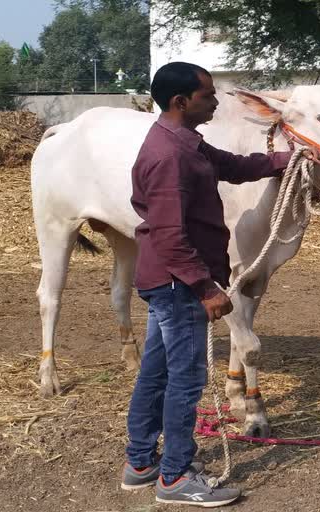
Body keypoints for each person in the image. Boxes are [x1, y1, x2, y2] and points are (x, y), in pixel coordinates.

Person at [120, 62, 294, 507]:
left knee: (156, 372)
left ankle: (141, 464)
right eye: (208, 95)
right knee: (185, 380)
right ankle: (175, 478)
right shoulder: (168, 157)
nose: (216, 101)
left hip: (168, 281)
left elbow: (234, 166)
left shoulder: (187, 143)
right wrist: (207, 288)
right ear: (181, 102)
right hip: (177, 284)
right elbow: (169, 235)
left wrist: (287, 160)